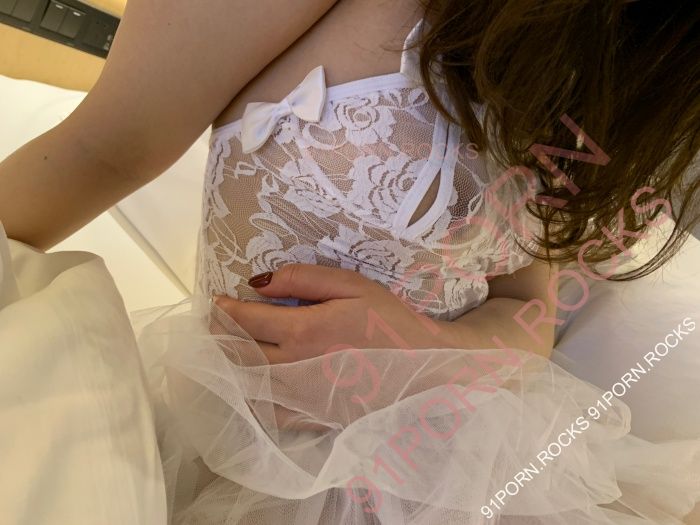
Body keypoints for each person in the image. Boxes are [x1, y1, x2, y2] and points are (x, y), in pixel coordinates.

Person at [1, 0, 699, 523]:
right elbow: (102, 149)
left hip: (467, 455)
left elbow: (529, 303)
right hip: (240, 466)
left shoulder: (642, 48)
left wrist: (426, 351)